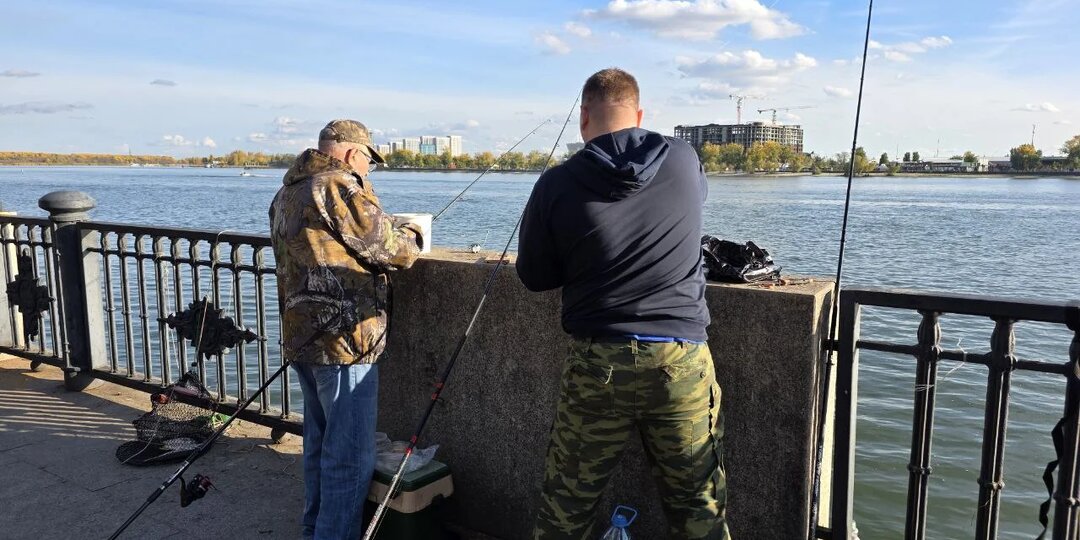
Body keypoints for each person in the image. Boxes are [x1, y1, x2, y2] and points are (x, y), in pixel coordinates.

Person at [517, 68, 730, 539]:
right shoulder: (683, 159)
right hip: (681, 359)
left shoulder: (556, 183)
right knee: (699, 508)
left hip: (599, 362)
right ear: (638, 114)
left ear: (583, 118)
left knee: (566, 510)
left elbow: (534, 277)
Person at [269, 119, 423, 540]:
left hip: (303, 335)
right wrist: (413, 231)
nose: (368, 171)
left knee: (319, 446)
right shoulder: (336, 186)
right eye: (369, 162)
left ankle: (314, 528)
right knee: (350, 457)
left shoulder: (287, 191)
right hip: (345, 343)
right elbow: (395, 249)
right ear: (354, 153)